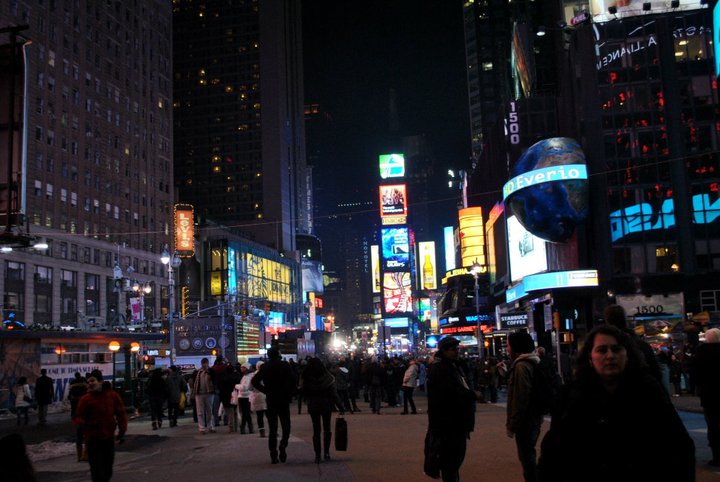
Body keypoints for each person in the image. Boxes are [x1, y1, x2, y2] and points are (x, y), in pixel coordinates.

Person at [538, 325, 695, 482]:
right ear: (590, 358)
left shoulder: (648, 390)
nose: (610, 356)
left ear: (627, 355)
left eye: (616, 349)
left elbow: (679, 446)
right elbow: (554, 452)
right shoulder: (571, 395)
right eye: (602, 350)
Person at [426, 337, 478, 482]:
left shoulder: (450, 366)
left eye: (457, 349)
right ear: (444, 350)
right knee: (450, 463)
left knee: (453, 463)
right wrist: (472, 395)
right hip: (449, 424)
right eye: (454, 349)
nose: (457, 352)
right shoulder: (441, 368)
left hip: (454, 422)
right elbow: (452, 393)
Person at [73, 370, 128, 482]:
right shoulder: (86, 399)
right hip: (92, 438)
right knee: (96, 470)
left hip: (107, 437)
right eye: (89, 382)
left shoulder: (112, 396)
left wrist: (122, 431)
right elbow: (79, 415)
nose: (90, 383)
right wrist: (81, 424)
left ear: (100, 381)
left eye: (93, 380)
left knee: (108, 468)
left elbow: (121, 413)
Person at [506, 331, 543, 482]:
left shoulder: (521, 366)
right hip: (535, 416)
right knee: (529, 455)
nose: (507, 349)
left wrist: (513, 423)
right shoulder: (534, 361)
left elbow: (521, 397)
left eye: (508, 345)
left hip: (525, 420)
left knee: (527, 458)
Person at [251, 346, 297, 464]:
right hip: (283, 399)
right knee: (286, 425)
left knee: (272, 428)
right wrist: (289, 392)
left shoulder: (265, 367)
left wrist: (265, 390)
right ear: (278, 354)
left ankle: (273, 454)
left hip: (271, 399)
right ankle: (283, 444)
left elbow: (254, 381)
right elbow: (293, 380)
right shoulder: (285, 365)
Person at [603, 304, 662, 384]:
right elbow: (656, 374)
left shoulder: (604, 348)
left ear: (607, 321)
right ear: (624, 319)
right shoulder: (641, 344)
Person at [300, 358, 343, 463]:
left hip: (313, 406)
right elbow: (334, 394)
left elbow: (302, 392)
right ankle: (326, 453)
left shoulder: (307, 378)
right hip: (326, 405)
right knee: (327, 429)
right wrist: (340, 406)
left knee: (316, 430)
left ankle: (317, 455)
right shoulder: (328, 378)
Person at [693, 327, 720, 466]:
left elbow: (695, 374)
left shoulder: (701, 353)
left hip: (709, 395)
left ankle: (717, 456)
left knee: (713, 426)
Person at [68, 372, 89, 461]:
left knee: (79, 435)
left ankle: (79, 456)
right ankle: (85, 454)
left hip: (75, 411)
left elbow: (70, 397)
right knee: (87, 435)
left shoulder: (72, 385)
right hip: (84, 414)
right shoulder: (84, 386)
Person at [193, 358, 216, 434]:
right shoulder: (197, 372)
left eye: (205, 363)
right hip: (199, 394)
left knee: (209, 411)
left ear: (208, 363)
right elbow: (194, 383)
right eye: (203, 363)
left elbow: (215, 379)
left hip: (209, 393)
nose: (204, 364)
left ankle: (211, 427)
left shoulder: (211, 371)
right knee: (200, 412)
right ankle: (202, 428)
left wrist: (209, 372)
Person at [219, 364, 241, 433]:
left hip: (226, 397)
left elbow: (221, 388)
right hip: (236, 396)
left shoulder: (224, 377)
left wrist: (221, 398)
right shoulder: (237, 377)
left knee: (229, 413)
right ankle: (236, 426)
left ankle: (231, 427)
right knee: (236, 412)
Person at [249, 360, 268, 437]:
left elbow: (250, 387)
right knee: (269, 415)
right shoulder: (267, 374)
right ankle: (273, 430)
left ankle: (262, 432)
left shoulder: (254, 375)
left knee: (259, 416)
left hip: (256, 396)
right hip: (266, 396)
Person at [236, 363, 255, 434]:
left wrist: (236, 386)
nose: (241, 369)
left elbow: (244, 387)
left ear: (246, 368)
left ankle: (243, 428)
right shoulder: (247, 376)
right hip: (246, 396)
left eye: (243, 367)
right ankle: (250, 428)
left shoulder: (247, 377)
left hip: (244, 396)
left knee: (245, 413)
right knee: (246, 413)